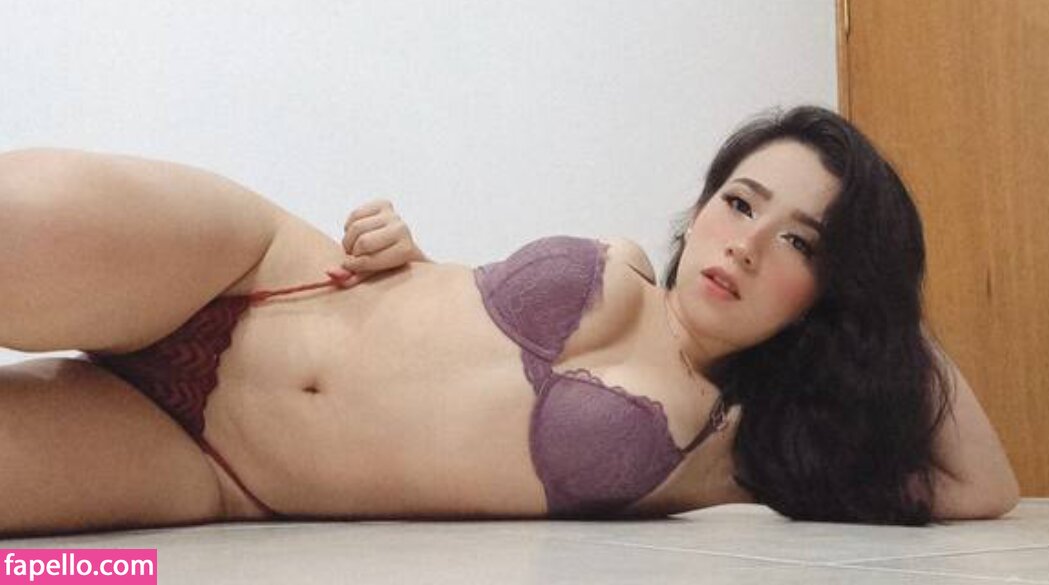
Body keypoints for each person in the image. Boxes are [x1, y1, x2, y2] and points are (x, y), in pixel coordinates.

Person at [0, 106, 1018, 537]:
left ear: (832, 291)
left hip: (220, 474)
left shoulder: (733, 454)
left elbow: (983, 488)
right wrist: (402, 246)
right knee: (20, 220)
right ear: (705, 205)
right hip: (261, 278)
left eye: (800, 241)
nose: (746, 244)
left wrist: (885, 299)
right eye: (740, 201)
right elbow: (448, 312)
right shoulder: (623, 263)